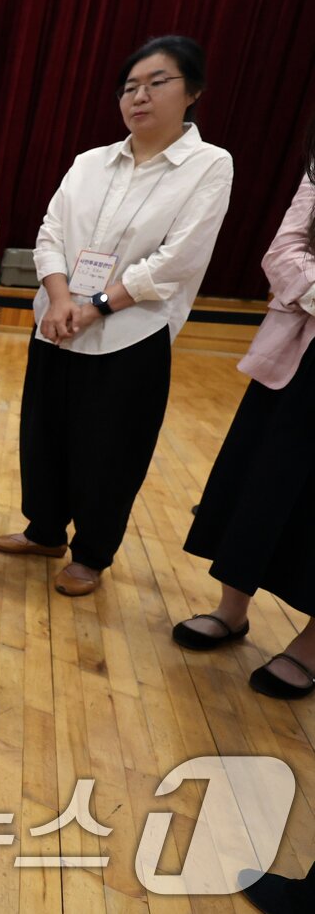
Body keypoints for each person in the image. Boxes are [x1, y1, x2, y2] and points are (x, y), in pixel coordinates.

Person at [0, 36, 234, 596]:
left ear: (192, 91)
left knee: (110, 450)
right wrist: (59, 295)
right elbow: (50, 232)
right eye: (129, 86)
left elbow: (176, 261)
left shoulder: (209, 165)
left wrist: (97, 305)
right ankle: (45, 531)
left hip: (130, 334)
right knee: (44, 436)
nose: (138, 96)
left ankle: (92, 554)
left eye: (156, 82)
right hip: (56, 323)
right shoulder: (90, 162)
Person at [170, 121, 315, 699]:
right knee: (258, 480)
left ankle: (309, 644)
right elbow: (284, 251)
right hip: (301, 353)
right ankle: (232, 610)